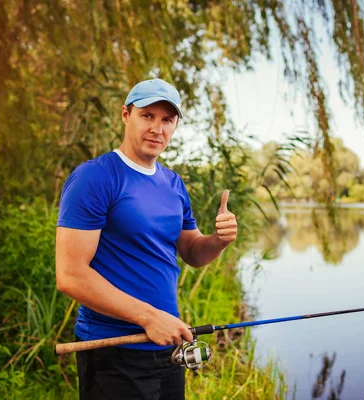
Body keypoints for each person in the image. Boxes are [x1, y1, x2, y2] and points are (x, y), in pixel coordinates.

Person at [55, 78, 238, 400]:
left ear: (176, 124)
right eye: (147, 116)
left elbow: (193, 252)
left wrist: (219, 240)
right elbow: (70, 275)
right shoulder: (95, 177)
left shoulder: (172, 182)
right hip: (114, 350)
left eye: (167, 119)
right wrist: (149, 318)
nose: (157, 128)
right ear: (126, 115)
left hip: (167, 345)